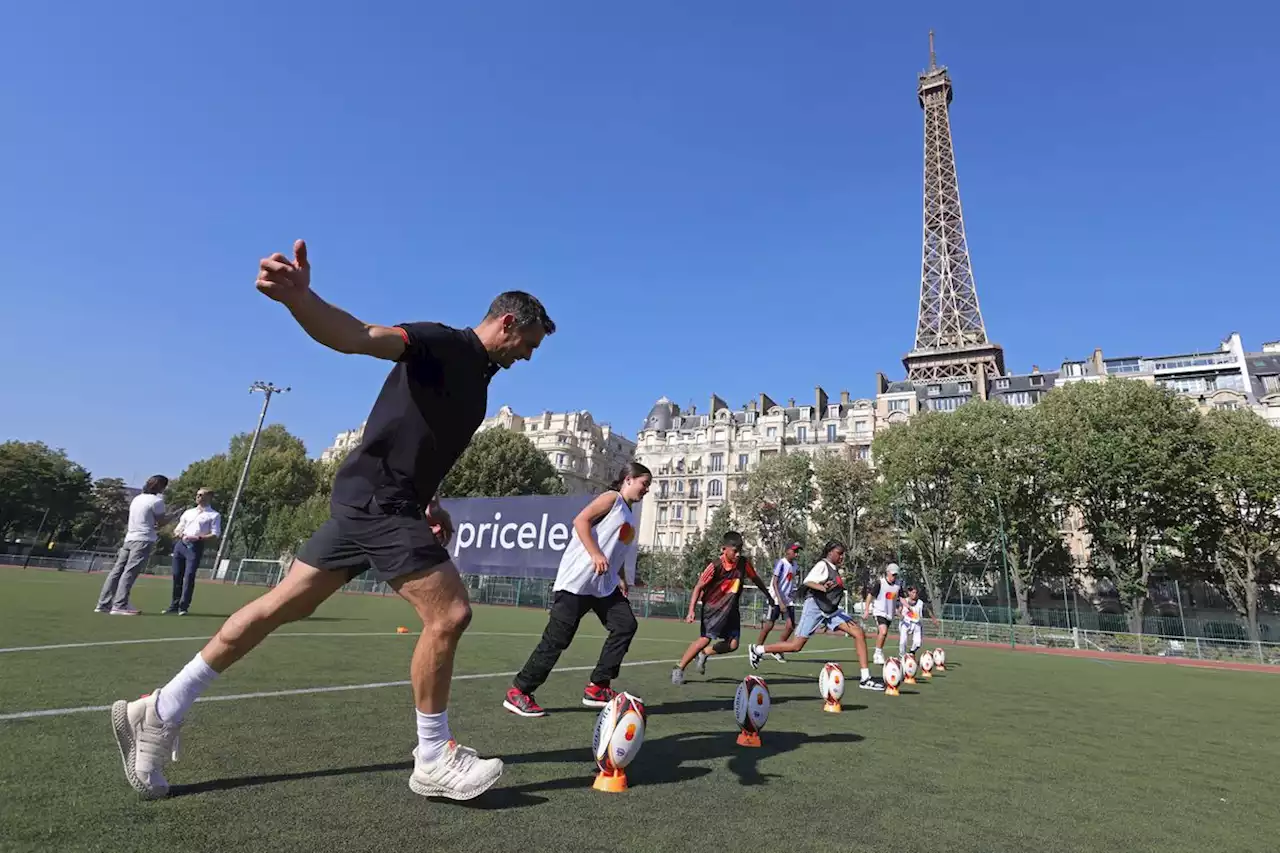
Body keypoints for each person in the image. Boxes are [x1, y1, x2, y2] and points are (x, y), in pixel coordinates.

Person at [111, 239, 554, 802]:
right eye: (529, 344)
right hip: (378, 501)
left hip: (377, 501)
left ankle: (160, 709)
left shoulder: (479, 378)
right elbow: (357, 337)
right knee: (451, 614)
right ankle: (433, 755)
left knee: (282, 605)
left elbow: (420, 440)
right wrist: (301, 299)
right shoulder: (444, 343)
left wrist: (430, 500)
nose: (528, 357)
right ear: (509, 321)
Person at [503, 462, 652, 718]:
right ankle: (519, 692)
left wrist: (622, 578)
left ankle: (598, 687)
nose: (646, 490)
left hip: (603, 587)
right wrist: (594, 553)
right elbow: (580, 520)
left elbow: (615, 550)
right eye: (644, 483)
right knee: (557, 640)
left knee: (625, 624)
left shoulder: (628, 513)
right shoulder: (612, 499)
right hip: (577, 582)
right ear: (628, 479)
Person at [747, 541, 884, 691]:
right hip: (815, 607)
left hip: (830, 610)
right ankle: (758, 650)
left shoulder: (834, 569)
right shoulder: (822, 565)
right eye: (839, 553)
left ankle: (865, 678)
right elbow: (808, 581)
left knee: (858, 632)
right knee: (796, 646)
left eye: (843, 554)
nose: (842, 557)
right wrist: (822, 587)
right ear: (830, 552)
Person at [671, 531, 772, 685]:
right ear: (724, 549)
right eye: (734, 551)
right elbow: (698, 587)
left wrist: (768, 595)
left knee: (733, 645)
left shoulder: (744, 564)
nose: (738, 554)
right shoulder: (715, 566)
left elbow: (755, 578)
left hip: (731, 609)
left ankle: (704, 654)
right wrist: (691, 610)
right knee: (705, 639)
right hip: (713, 609)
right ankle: (679, 667)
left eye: (740, 550)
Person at [94, 475, 168, 615]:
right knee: (130, 572)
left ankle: (103, 603)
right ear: (161, 487)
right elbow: (161, 522)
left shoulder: (137, 498)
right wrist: (174, 516)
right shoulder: (157, 501)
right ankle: (120, 605)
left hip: (129, 538)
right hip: (143, 539)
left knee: (117, 571)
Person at [164, 488, 222, 615]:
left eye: (201, 495)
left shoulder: (214, 515)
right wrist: (177, 532)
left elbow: (215, 533)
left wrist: (198, 537)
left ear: (209, 497)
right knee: (176, 574)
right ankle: (174, 605)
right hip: (181, 545)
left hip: (195, 546)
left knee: (189, 575)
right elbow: (179, 527)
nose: (198, 497)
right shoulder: (188, 512)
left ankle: (183, 606)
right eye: (197, 495)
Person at [755, 542, 800, 661]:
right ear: (787, 552)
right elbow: (775, 582)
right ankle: (756, 649)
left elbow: (792, 580)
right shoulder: (781, 563)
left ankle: (776, 649)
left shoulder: (795, 565)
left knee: (790, 626)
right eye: (794, 551)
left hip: (787, 599)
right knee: (770, 624)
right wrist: (779, 601)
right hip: (776, 599)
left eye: (797, 551)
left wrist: (794, 592)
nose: (796, 553)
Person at [864, 563, 901, 665]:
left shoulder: (898, 585)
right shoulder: (880, 583)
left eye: (896, 575)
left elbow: (901, 598)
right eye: (893, 574)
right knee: (883, 631)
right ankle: (877, 653)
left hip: (890, 613)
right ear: (887, 573)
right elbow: (870, 595)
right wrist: (867, 609)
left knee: (883, 634)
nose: (894, 577)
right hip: (879, 611)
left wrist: (903, 609)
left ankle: (879, 652)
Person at [898, 586, 939, 661]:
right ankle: (902, 657)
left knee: (918, 643)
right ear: (909, 592)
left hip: (916, 623)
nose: (915, 594)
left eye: (916, 593)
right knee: (903, 641)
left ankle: (911, 653)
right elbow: (899, 610)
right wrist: (900, 615)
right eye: (913, 592)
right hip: (905, 622)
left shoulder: (920, 603)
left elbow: (928, 611)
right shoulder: (905, 601)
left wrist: (934, 619)